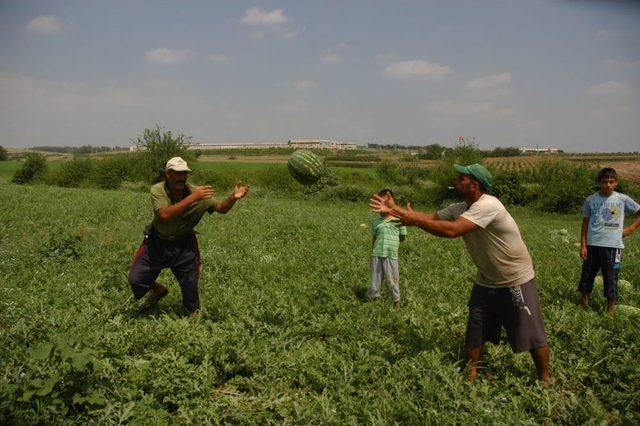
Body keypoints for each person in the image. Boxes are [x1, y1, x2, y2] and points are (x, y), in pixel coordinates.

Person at [370, 164, 550, 382]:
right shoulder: (461, 207)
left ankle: (544, 377)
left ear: (474, 184)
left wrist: (413, 220)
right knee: (476, 326)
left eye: (461, 177)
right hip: (486, 279)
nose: (455, 180)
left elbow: (452, 230)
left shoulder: (488, 205)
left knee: (531, 331)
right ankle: (471, 372)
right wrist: (395, 209)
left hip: (514, 278)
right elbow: (431, 218)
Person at [128, 156, 249, 317]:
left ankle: (194, 319)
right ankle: (158, 290)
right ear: (167, 175)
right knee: (136, 280)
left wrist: (233, 198)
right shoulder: (158, 189)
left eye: (184, 173)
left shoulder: (197, 194)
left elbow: (221, 208)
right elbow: (164, 214)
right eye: (177, 173)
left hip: (184, 245)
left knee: (190, 285)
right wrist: (193, 198)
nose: (182, 177)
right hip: (157, 242)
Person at [578, 167, 640, 315]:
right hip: (593, 245)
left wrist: (631, 229)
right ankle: (583, 305)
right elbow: (585, 223)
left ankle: (610, 311)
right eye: (605, 182)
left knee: (611, 278)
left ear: (616, 183)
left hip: (613, 246)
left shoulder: (622, 199)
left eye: (611, 182)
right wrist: (583, 245)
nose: (608, 185)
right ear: (599, 183)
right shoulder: (590, 200)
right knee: (587, 276)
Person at [369, 189, 407, 308]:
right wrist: (373, 251)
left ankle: (396, 302)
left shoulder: (398, 220)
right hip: (377, 253)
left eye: (386, 201)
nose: (383, 203)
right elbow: (374, 238)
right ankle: (375, 300)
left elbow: (402, 237)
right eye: (380, 201)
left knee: (392, 281)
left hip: (391, 254)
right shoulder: (376, 221)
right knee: (375, 280)